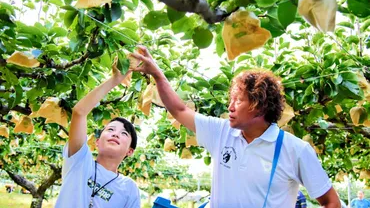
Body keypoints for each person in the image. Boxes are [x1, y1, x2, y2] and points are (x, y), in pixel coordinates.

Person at [130, 45, 341, 208]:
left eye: (238, 100)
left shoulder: (295, 150)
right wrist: (157, 73)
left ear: (259, 105)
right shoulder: (222, 132)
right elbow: (180, 110)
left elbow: (331, 201)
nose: (229, 107)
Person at [55, 58, 140, 208]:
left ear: (130, 151)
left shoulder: (129, 188)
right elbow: (79, 112)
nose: (115, 134)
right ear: (97, 141)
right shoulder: (80, 161)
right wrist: (115, 80)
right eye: (110, 129)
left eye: (124, 134)